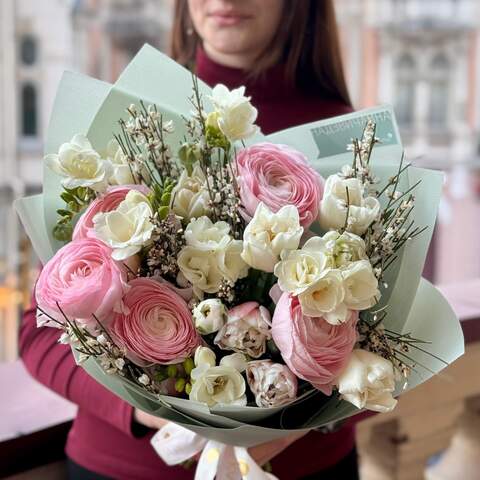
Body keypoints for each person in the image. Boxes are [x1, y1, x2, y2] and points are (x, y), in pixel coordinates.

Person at [20, 1, 358, 478]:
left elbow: (388, 346)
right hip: (125, 467)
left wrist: (294, 422)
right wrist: (142, 408)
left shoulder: (354, 140)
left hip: (303, 468)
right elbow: (39, 328)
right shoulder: (131, 121)